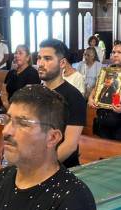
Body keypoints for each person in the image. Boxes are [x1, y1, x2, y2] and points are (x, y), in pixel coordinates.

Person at [37, 39, 88, 168]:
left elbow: (70, 145)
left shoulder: (74, 97)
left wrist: (41, 168)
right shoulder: (35, 93)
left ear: (62, 63)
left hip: (62, 169)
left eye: (47, 59)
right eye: (39, 58)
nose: (41, 63)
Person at [0, 45, 40, 110]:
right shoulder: (11, 72)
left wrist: (14, 111)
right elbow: (3, 91)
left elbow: (31, 99)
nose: (17, 55)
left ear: (27, 57)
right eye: (16, 53)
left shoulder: (32, 73)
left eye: (20, 53)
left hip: (24, 111)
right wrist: (7, 105)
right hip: (8, 108)